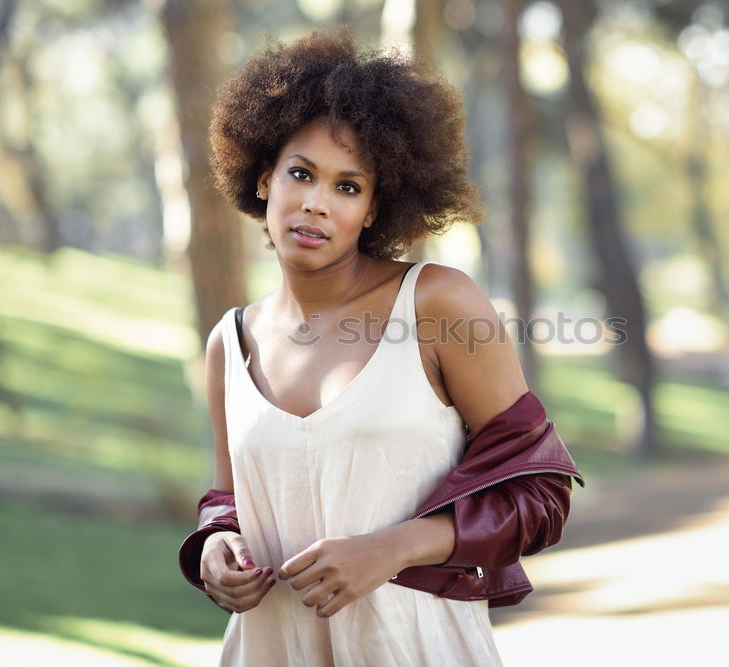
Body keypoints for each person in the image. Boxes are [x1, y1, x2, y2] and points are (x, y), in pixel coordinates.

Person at [177, 27, 583, 666]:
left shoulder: (436, 305)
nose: (315, 204)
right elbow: (228, 502)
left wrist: (393, 548)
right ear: (263, 179)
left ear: (372, 209)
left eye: (347, 186)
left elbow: (540, 495)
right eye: (301, 173)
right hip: (269, 649)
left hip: (416, 648)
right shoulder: (231, 343)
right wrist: (214, 549)